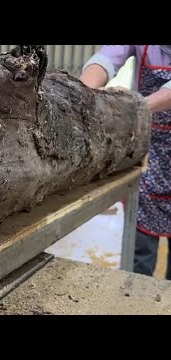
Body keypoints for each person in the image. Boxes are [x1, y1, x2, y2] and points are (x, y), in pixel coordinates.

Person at [79, 45, 171, 279]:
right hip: (152, 155)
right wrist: (82, 97)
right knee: (140, 251)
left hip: (146, 117)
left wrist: (135, 107)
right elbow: (106, 58)